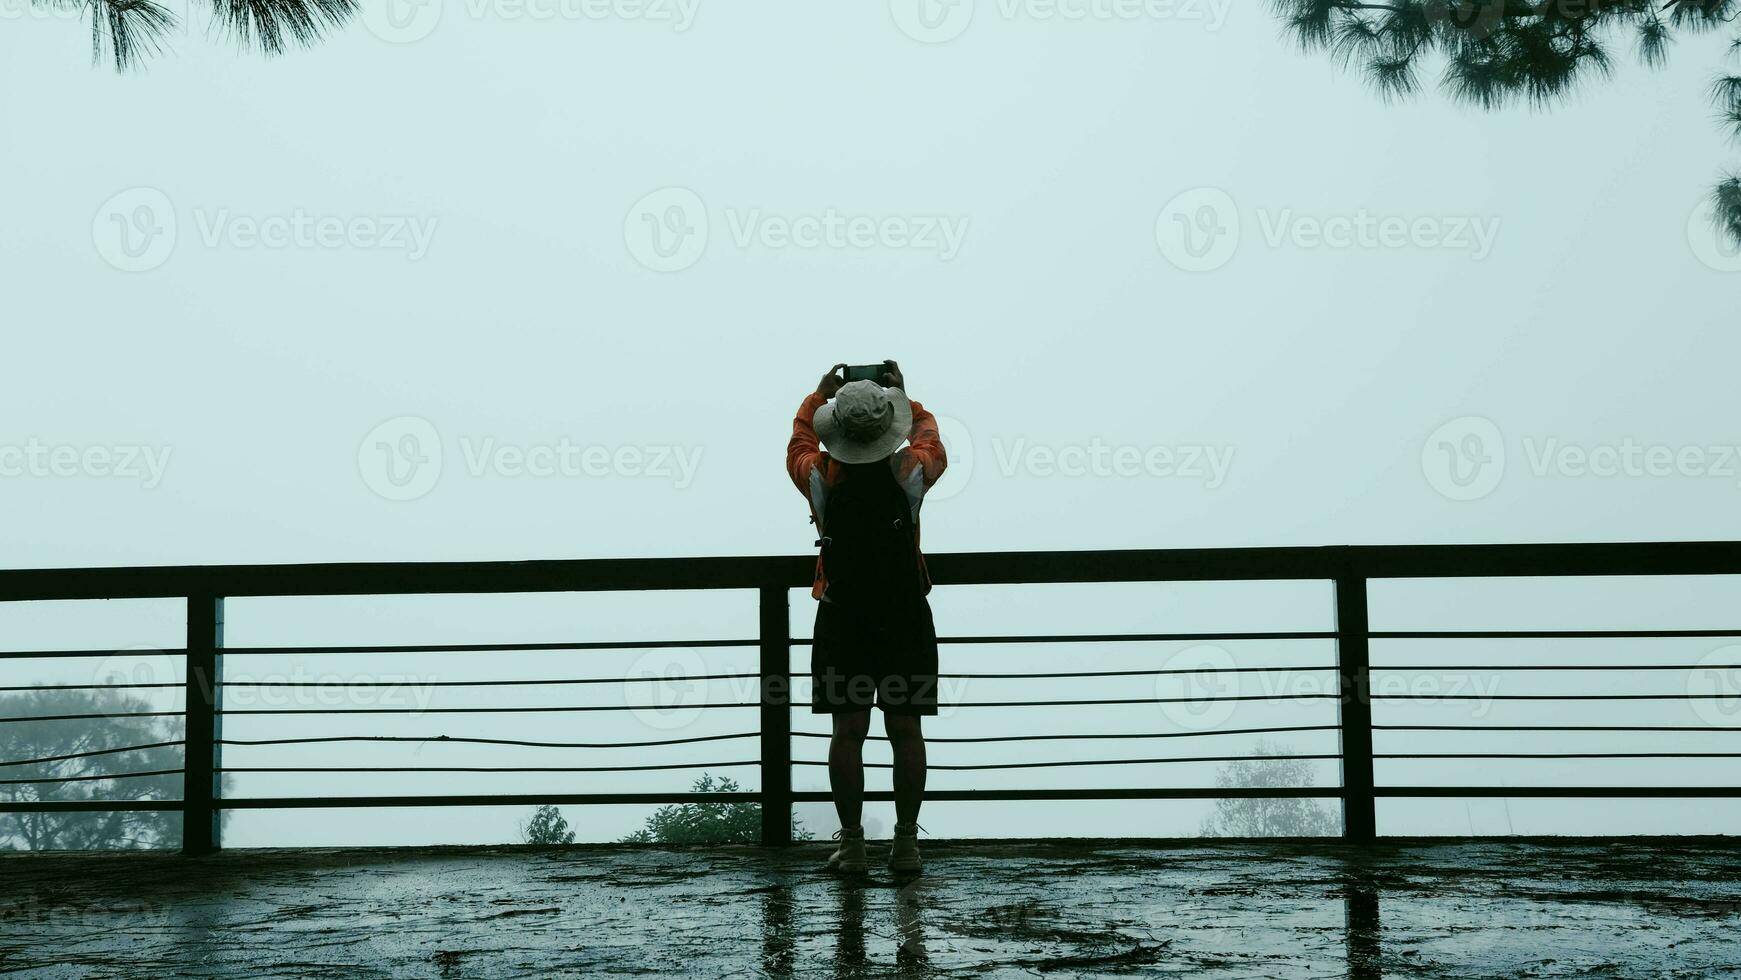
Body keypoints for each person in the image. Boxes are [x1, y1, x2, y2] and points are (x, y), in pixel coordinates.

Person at [786, 360, 947, 875]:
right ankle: (905, 845)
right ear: (887, 426)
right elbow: (930, 437)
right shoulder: (910, 472)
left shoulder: (820, 475)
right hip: (903, 616)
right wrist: (903, 395)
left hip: (843, 617)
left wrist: (816, 395)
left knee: (847, 732)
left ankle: (853, 845)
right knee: (907, 731)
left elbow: (798, 444)